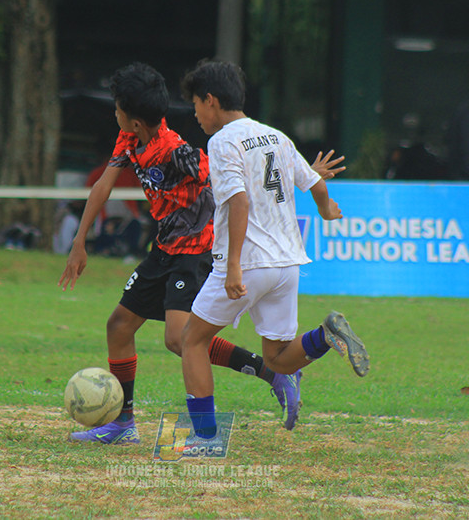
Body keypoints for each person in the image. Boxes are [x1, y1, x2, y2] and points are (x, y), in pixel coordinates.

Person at [58, 62, 344, 444]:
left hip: (196, 253)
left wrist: (299, 177)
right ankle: (124, 424)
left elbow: (240, 183)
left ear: (134, 118)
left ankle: (253, 390)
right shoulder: (128, 140)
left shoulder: (179, 152)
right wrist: (79, 243)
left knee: (182, 339)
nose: (114, 113)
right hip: (164, 249)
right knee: (118, 327)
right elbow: (101, 189)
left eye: (116, 107)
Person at [179, 60, 369, 440]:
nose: (196, 114)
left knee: (191, 340)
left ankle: (204, 438)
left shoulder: (222, 141)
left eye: (196, 104)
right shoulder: (276, 136)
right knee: (277, 360)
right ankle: (325, 335)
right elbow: (313, 180)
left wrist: (232, 267)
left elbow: (239, 202)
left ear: (211, 100)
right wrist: (326, 208)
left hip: (249, 263)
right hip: (287, 264)